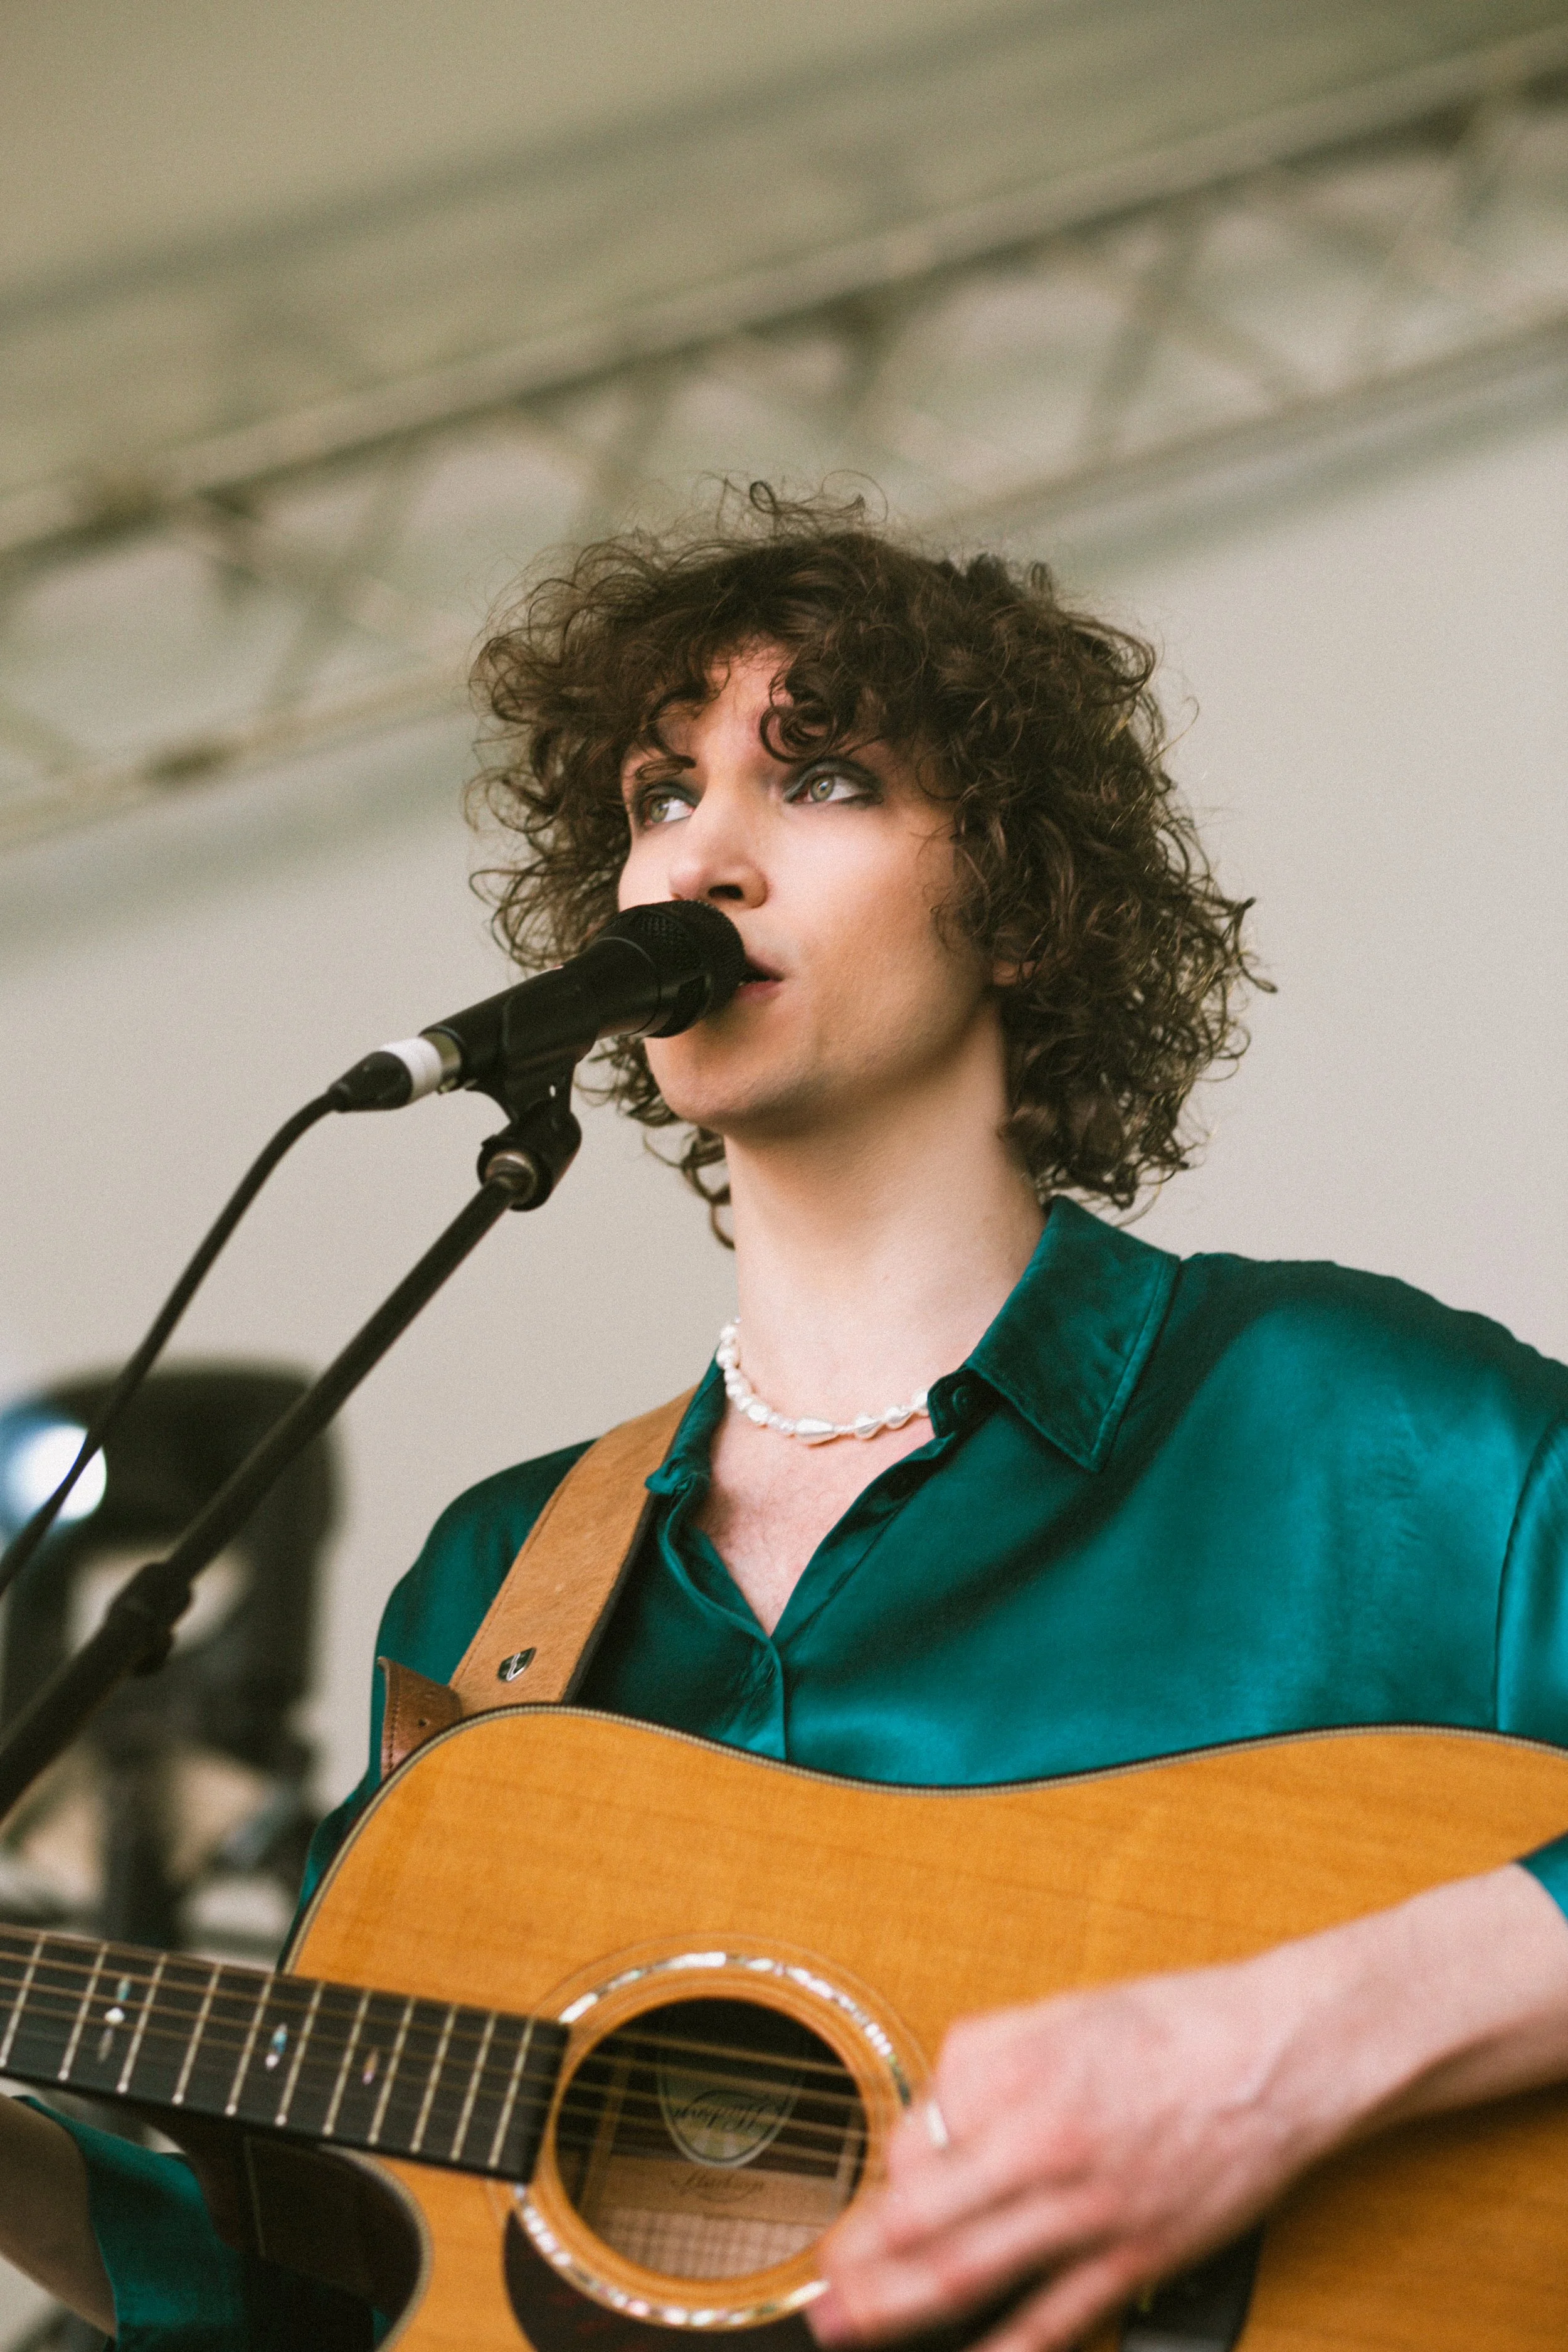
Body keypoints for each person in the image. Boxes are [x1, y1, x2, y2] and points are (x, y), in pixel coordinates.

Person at [3, 486, 1567, 2351]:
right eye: (661, 795)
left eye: (816, 782)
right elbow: (346, 2287)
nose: (699, 859)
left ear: (1020, 904)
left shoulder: (1355, 1431)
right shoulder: (505, 1576)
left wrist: (1265, 2054)